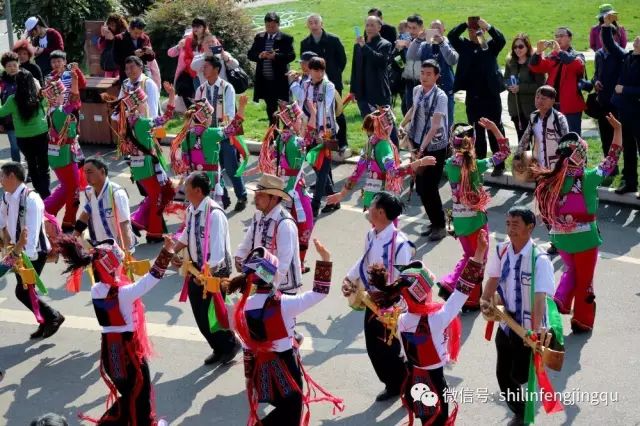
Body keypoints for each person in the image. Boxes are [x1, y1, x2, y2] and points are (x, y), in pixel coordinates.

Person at [370, 230, 489, 425]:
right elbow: (462, 291)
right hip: (435, 382)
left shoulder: (401, 319)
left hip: (415, 381)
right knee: (438, 421)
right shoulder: (436, 319)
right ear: (424, 294)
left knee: (426, 421)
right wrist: (478, 255)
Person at [56, 233, 175, 425]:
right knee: (140, 394)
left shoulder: (97, 290)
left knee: (129, 393)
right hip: (129, 352)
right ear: (112, 267)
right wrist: (167, 251)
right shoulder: (124, 293)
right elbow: (152, 278)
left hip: (110, 353)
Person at [226, 241, 343, 425]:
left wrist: (249, 378)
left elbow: (247, 347)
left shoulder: (244, 306)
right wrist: (325, 259)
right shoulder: (284, 303)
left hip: (261, 368)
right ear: (272, 275)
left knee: (285, 408)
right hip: (285, 364)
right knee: (293, 409)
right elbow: (319, 293)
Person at [532, 114, 623, 333]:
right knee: (585, 283)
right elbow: (611, 159)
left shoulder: (550, 181)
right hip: (585, 238)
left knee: (570, 271)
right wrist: (618, 131)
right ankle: (581, 320)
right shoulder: (589, 178)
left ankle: (560, 300)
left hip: (560, 238)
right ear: (581, 156)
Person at [480, 206, 560, 425]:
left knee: (521, 375)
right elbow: (493, 279)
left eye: (515, 224)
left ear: (530, 227)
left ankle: (526, 405)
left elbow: (539, 300)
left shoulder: (539, 260)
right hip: (506, 323)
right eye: (508, 224)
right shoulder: (501, 250)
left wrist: (533, 334)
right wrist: (485, 300)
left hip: (526, 327)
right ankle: (521, 411)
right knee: (503, 374)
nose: (510, 229)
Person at [342, 191, 415, 402]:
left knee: (393, 348)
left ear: (381, 212)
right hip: (371, 301)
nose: (369, 207)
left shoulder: (401, 244)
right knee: (374, 347)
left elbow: (404, 279)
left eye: (372, 205)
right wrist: (349, 278)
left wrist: (389, 301)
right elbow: (364, 260)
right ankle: (393, 384)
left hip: (393, 306)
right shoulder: (371, 235)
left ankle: (407, 384)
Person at [438, 120, 510, 311]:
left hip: (459, 221)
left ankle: (458, 289)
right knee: (479, 259)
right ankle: (461, 291)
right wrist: (494, 128)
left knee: (470, 256)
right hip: (476, 221)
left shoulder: (449, 164)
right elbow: (504, 153)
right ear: (473, 142)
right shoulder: (477, 165)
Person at [171, 172, 240, 365]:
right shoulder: (192, 209)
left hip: (214, 273)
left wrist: (203, 275)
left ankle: (230, 345)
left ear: (198, 190)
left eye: (186, 185)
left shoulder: (215, 214)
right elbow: (187, 233)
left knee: (213, 315)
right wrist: (173, 250)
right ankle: (219, 348)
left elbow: (217, 253)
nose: (182, 187)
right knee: (201, 317)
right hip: (197, 271)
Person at [106, 78, 176, 243]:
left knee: (154, 197)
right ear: (137, 107)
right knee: (157, 198)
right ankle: (154, 233)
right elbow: (166, 117)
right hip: (147, 166)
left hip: (137, 167)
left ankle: (138, 222)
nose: (147, 105)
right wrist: (172, 95)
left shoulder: (126, 123)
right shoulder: (144, 123)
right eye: (144, 103)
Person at [0, 162, 64, 339]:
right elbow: (1, 220)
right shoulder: (7, 196)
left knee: (23, 291)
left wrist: (21, 258)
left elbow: (33, 232)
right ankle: (46, 321)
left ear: (12, 176)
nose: (0, 180)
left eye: (2, 176)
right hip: (18, 251)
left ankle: (52, 317)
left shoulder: (31, 199)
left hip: (33, 252)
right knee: (26, 291)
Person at [329, 107, 434, 210]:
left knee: (377, 227)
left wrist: (342, 194)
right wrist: (419, 162)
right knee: (387, 228)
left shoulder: (370, 143)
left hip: (372, 198)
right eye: (391, 124)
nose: (393, 127)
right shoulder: (384, 146)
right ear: (385, 127)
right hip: (385, 202)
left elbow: (357, 172)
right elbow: (394, 172)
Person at [251, 101, 315, 272]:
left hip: (280, 190)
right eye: (299, 119)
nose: (301, 122)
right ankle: (298, 264)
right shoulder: (296, 142)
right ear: (292, 122)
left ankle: (273, 262)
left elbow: (271, 156)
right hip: (295, 192)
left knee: (277, 227)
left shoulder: (280, 139)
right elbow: (310, 140)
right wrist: (314, 116)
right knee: (305, 225)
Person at [449, 17, 506, 177]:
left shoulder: (489, 46)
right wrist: (464, 24)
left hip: (491, 95)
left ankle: (499, 163)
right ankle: (479, 163)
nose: (474, 32)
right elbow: (452, 36)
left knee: (495, 128)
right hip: (473, 96)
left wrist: (488, 26)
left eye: (477, 29)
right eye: (471, 30)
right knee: (477, 131)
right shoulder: (465, 46)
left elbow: (501, 39)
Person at [170, 95, 248, 209]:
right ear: (205, 118)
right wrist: (241, 107)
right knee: (210, 213)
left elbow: (185, 160)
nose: (212, 118)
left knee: (195, 211)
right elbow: (233, 128)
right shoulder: (211, 133)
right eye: (210, 116)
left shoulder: (186, 135)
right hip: (210, 181)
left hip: (193, 179)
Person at [399, 60, 449, 241]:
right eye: (422, 73)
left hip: (434, 146)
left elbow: (435, 125)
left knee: (430, 186)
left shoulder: (441, 97)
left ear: (436, 76)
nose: (425, 77)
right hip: (417, 142)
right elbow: (414, 108)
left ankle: (440, 225)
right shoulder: (417, 90)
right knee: (420, 186)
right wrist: (403, 123)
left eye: (429, 74)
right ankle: (433, 221)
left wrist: (422, 148)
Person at [193, 56, 248, 211]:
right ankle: (223, 197)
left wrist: (225, 132)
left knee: (231, 167)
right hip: (207, 136)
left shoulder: (226, 87)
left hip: (225, 133)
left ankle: (242, 195)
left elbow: (230, 111)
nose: (203, 70)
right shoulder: (201, 89)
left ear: (216, 69)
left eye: (206, 67)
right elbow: (196, 112)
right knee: (212, 168)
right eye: (203, 67)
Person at [235, 174, 302, 295]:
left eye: (261, 195)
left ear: (275, 198)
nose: (255, 198)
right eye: (256, 194)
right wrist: (239, 257)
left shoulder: (285, 224)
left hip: (282, 287)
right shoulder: (258, 216)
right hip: (262, 281)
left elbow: (283, 264)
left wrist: (257, 279)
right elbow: (248, 241)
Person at [292, 57, 339, 217]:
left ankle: (316, 204)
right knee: (317, 167)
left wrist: (319, 132)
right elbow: (300, 104)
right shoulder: (305, 85)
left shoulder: (329, 86)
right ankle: (334, 200)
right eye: (315, 70)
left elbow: (324, 109)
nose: (319, 73)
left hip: (325, 132)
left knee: (323, 167)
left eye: (321, 70)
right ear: (309, 71)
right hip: (309, 130)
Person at [41, 63, 84, 232]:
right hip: (65, 155)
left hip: (58, 155)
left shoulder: (51, 111)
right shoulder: (59, 111)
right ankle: (51, 214)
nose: (64, 96)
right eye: (61, 94)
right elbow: (74, 100)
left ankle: (57, 216)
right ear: (55, 97)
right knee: (72, 188)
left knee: (67, 186)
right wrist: (74, 80)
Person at [603, 19, 640, 196]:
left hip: (638, 111)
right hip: (625, 111)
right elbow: (610, 44)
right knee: (629, 148)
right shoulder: (627, 56)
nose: (638, 39)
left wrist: (625, 89)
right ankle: (630, 182)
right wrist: (606, 26)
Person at [300, 14, 349, 150]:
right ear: (307, 25)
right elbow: (305, 64)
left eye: (316, 22)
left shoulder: (333, 40)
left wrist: (333, 73)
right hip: (313, 84)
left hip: (332, 81)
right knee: (314, 112)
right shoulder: (305, 43)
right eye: (310, 22)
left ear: (322, 24)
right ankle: (317, 140)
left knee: (336, 112)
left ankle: (342, 141)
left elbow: (342, 60)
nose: (313, 24)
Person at [0, 70, 50, 197]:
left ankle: (39, 190)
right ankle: (46, 193)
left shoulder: (12, 99)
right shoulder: (39, 96)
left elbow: (1, 112)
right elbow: (48, 105)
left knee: (32, 164)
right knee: (44, 164)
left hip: (23, 137)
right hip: (41, 134)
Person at [529, 27, 586, 135]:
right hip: (552, 105)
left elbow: (576, 66)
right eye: (556, 36)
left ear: (570, 38)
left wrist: (559, 52)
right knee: (553, 139)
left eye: (561, 36)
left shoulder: (577, 55)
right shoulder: (552, 56)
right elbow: (535, 67)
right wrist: (538, 52)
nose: (558, 38)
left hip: (570, 107)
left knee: (572, 139)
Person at [74, 157, 134, 252]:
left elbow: (124, 225)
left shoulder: (117, 193)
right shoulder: (89, 192)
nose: (86, 176)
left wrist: (126, 252)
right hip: (98, 248)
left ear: (102, 171)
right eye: (85, 172)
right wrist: (73, 238)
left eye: (89, 172)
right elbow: (85, 215)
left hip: (118, 249)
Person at [248, 12, 296, 126]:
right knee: (271, 109)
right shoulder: (259, 37)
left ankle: (287, 134)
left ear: (278, 25)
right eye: (268, 26)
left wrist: (275, 56)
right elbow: (250, 54)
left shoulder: (286, 38)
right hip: (265, 81)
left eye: (273, 26)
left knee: (285, 108)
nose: (270, 29)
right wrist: (260, 55)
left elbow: (291, 56)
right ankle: (274, 134)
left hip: (280, 81)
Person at [593, 21, 623, 178]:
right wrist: (595, 81)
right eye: (601, 36)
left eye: (607, 36)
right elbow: (595, 74)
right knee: (605, 136)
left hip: (616, 103)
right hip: (602, 102)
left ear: (615, 36)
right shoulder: (598, 54)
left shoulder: (620, 54)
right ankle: (610, 168)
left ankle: (618, 165)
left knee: (616, 136)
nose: (603, 39)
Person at [516, 85, 570, 170]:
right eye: (537, 97)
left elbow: (567, 142)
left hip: (555, 167)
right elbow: (525, 139)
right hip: (538, 166)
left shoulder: (559, 118)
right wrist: (517, 156)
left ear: (552, 101)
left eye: (543, 98)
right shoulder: (533, 116)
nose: (539, 100)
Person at [504, 33, 545, 141]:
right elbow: (505, 80)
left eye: (521, 46)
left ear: (528, 46)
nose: (518, 49)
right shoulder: (510, 62)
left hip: (532, 109)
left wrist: (520, 88)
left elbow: (541, 86)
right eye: (515, 47)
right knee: (522, 141)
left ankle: (535, 158)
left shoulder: (534, 62)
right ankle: (523, 158)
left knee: (537, 141)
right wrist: (509, 86)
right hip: (515, 109)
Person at [351, 16, 393, 119]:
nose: (369, 28)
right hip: (362, 92)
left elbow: (381, 61)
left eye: (372, 25)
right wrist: (353, 90)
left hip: (378, 92)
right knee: (369, 125)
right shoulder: (358, 46)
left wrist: (364, 46)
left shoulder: (385, 44)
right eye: (367, 25)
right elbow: (355, 68)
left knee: (386, 124)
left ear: (379, 27)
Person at [420, 20, 458, 125]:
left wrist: (442, 43)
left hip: (446, 89)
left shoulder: (449, 44)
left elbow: (452, 60)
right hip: (428, 91)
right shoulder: (424, 46)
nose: (435, 32)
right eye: (433, 29)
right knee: (427, 124)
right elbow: (411, 57)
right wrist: (417, 40)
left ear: (444, 30)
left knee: (447, 123)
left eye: (438, 29)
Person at [396, 14, 426, 114]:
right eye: (409, 27)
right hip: (409, 81)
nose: (411, 31)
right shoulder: (405, 40)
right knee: (407, 110)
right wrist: (398, 51)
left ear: (421, 27)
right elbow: (396, 60)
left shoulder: (427, 42)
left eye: (414, 28)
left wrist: (410, 48)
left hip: (423, 82)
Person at [113, 17, 156, 82]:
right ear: (129, 29)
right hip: (127, 72)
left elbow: (150, 58)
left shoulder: (145, 38)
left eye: (140, 33)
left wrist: (150, 52)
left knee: (149, 85)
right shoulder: (119, 39)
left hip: (142, 70)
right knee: (129, 91)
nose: (138, 35)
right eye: (136, 33)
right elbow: (116, 59)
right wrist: (133, 54)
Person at [0, 52, 24, 162]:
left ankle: (31, 171)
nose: (12, 68)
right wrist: (1, 122)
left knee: (27, 147)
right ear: (4, 67)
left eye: (14, 65)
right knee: (14, 147)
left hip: (25, 120)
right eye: (9, 66)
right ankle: (16, 171)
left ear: (18, 64)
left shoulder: (25, 78)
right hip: (9, 122)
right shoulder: (2, 83)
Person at [98, 13, 129, 78]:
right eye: (109, 25)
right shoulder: (108, 31)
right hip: (109, 64)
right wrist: (103, 36)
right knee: (107, 83)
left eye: (112, 25)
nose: (110, 27)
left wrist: (113, 39)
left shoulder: (124, 32)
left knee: (119, 82)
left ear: (118, 25)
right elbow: (101, 48)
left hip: (120, 65)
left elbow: (124, 48)